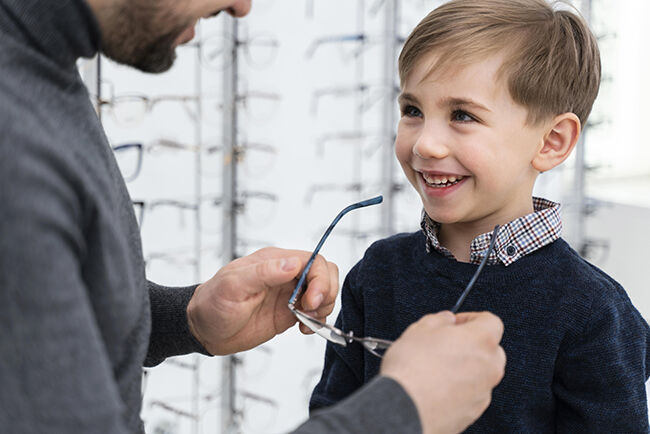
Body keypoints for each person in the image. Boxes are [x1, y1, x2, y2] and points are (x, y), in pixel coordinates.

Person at [0, 0, 506, 433]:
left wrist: (184, 319)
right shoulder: (16, 146)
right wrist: (403, 410)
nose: (242, 7)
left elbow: (39, 332)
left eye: (463, 115)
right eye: (412, 111)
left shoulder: (37, 72)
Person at [310, 0, 650, 432]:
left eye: (462, 115)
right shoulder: (377, 273)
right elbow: (333, 416)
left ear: (551, 142)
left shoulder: (594, 312)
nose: (425, 144)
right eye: (412, 110)